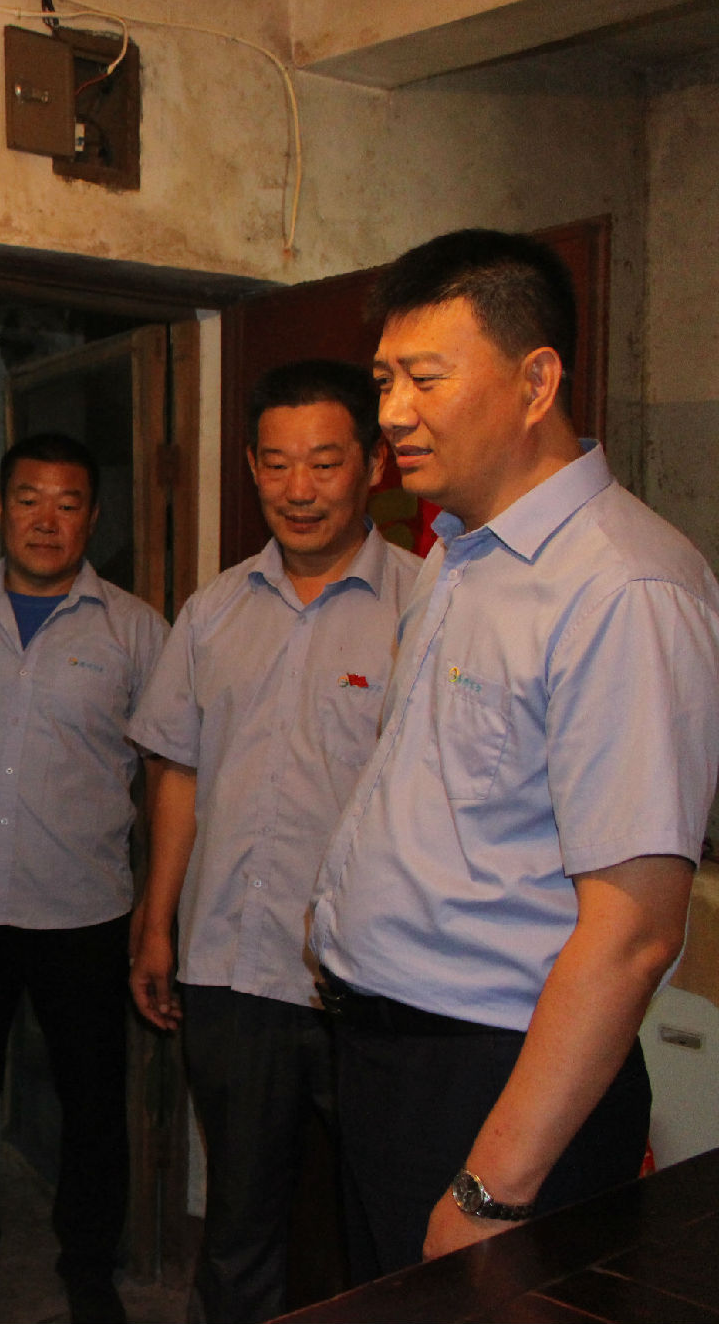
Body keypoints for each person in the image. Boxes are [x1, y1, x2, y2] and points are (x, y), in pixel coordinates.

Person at [309, 229, 719, 1278]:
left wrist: (491, 1185)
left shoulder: (623, 586)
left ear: (536, 381)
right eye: (383, 380)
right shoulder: (456, 555)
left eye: (425, 377)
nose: (391, 411)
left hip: (497, 1082)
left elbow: (633, 933)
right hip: (390, 1060)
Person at [126, 360, 420, 1322]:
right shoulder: (212, 612)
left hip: (376, 984)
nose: (300, 489)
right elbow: (178, 771)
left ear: (373, 464)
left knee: (392, 1226)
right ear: (251, 465)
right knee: (238, 1231)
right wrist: (157, 923)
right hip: (235, 971)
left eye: (325, 463)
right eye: (279, 464)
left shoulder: (426, 608)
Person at [0, 432, 168, 1324]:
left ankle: (89, 1261)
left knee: (92, 1101)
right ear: (0, 509)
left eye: (68, 504)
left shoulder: (136, 630)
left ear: (92, 519)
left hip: (84, 912)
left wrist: (158, 911)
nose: (46, 520)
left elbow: (168, 774)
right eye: (29, 499)